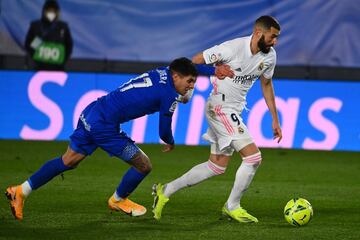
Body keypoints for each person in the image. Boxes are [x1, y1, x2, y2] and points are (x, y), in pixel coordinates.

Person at [5, 57, 234, 220]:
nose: (190, 87)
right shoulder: (169, 94)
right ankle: (118, 199)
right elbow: (164, 128)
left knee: (69, 160)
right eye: (189, 82)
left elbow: (182, 77)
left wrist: (201, 79)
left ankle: (21, 190)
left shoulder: (163, 71)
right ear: (176, 76)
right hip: (103, 127)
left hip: (93, 111)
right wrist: (170, 141)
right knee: (144, 165)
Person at [152, 16, 283, 223]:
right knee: (253, 158)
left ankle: (165, 190)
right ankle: (232, 206)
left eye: (276, 38)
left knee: (216, 166)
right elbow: (194, 62)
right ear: (258, 32)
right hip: (219, 107)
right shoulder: (232, 48)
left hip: (234, 110)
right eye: (272, 36)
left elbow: (266, 85)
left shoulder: (269, 57)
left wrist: (275, 119)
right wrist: (187, 91)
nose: (274, 41)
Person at [25, 0, 73, 71]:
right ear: (44, 11)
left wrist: (62, 61)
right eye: (49, 11)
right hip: (39, 67)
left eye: (54, 11)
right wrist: (36, 58)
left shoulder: (63, 27)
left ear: (57, 12)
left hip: (58, 68)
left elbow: (69, 46)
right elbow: (28, 45)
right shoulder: (36, 26)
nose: (51, 13)